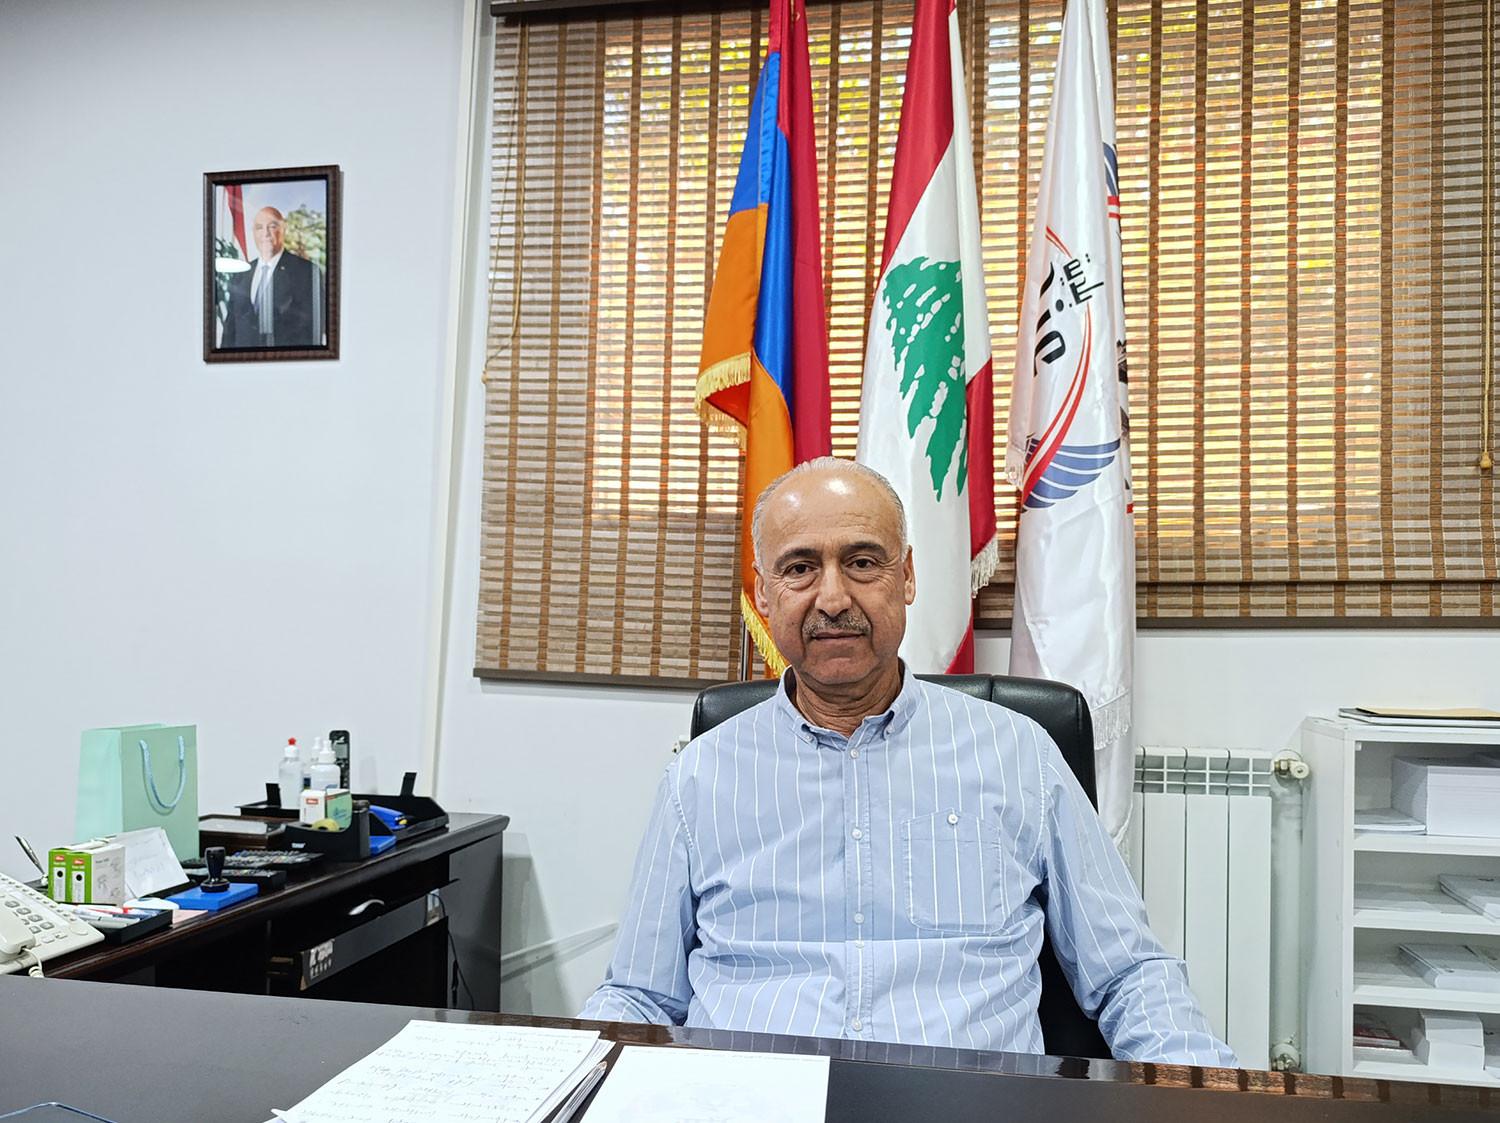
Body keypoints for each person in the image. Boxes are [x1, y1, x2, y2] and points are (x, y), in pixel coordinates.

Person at [579, 457, 1236, 1066]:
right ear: (765, 594)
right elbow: (639, 996)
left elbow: (1129, 973)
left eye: (862, 562)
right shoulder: (700, 776)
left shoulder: (1019, 754)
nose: (832, 598)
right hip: (753, 1100)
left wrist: (1207, 1096)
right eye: (800, 567)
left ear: (909, 576)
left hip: (963, 1102)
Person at [220, 206, 323, 348]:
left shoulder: (305, 271)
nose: (265, 233)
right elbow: (230, 331)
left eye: (272, 226)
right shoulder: (241, 274)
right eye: (259, 228)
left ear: (283, 229)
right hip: (243, 360)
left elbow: (311, 330)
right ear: (253, 233)